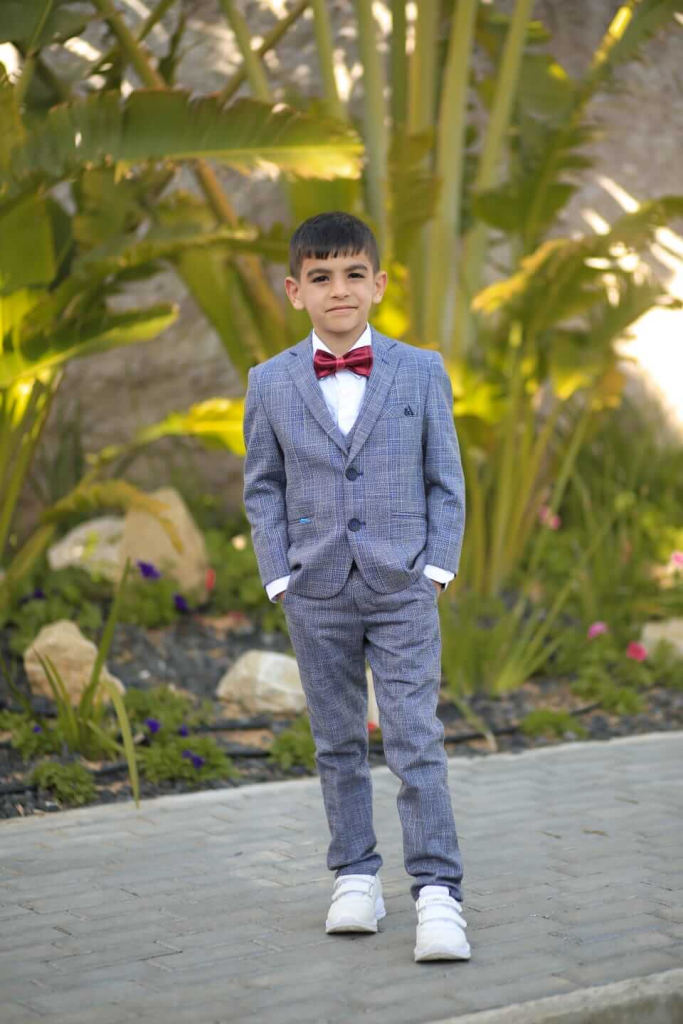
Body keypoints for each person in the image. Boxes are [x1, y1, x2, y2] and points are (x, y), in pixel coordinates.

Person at [242, 211, 470, 963]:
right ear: (294, 291)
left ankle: (437, 891)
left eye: (352, 275)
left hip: (403, 585)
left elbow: (445, 477)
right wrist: (279, 575)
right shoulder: (269, 382)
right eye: (320, 277)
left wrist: (435, 569)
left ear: (378, 283)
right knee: (336, 740)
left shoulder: (421, 369)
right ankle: (355, 876)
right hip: (315, 590)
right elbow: (262, 485)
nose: (337, 289)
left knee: (414, 738)